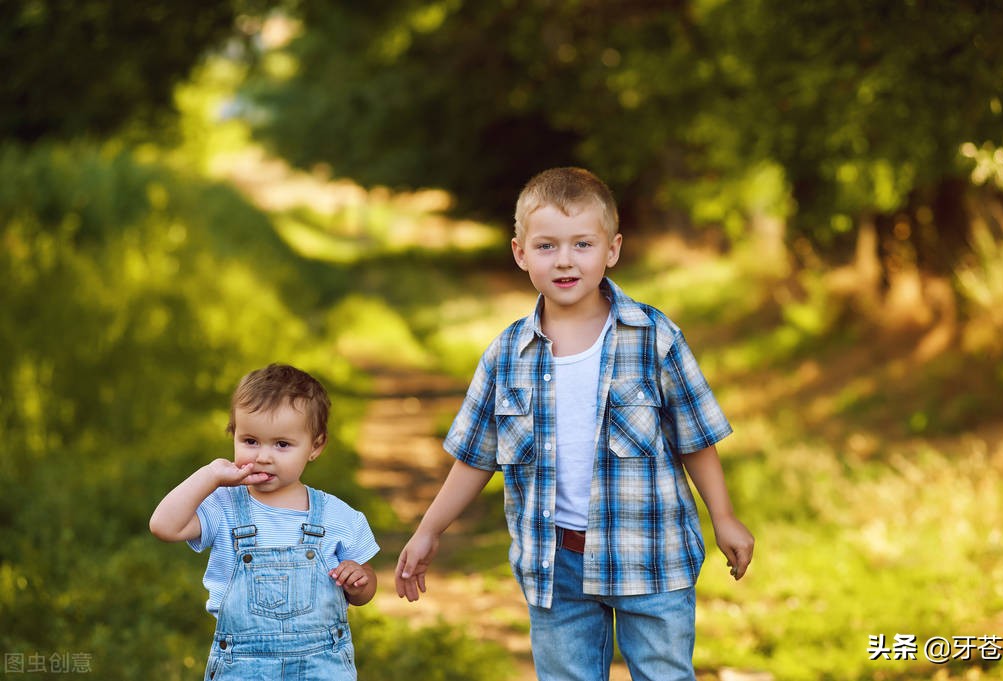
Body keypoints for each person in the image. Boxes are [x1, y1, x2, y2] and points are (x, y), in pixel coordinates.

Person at [395, 167, 754, 681]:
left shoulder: (653, 338)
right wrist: (429, 530)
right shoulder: (507, 356)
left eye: (582, 244)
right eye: (546, 246)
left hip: (649, 553)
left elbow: (695, 438)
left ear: (612, 249)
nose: (565, 260)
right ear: (520, 253)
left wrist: (724, 517)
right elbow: (476, 456)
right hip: (553, 564)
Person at [151, 363, 379, 681]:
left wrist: (360, 580)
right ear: (234, 436)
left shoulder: (337, 516)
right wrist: (211, 475)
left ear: (316, 446)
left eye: (282, 444)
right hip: (243, 668)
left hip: (321, 667)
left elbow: (365, 587)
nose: (263, 456)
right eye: (250, 441)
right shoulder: (224, 506)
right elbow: (163, 526)